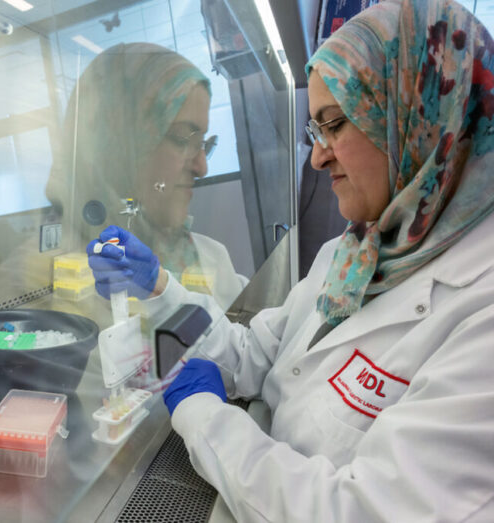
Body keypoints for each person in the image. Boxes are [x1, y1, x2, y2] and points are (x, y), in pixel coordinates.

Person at [89, 0, 494, 520]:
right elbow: (254, 353)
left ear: (419, 117)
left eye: (335, 124)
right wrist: (160, 286)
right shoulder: (355, 253)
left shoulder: (479, 316)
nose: (318, 155)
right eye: (314, 131)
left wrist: (203, 417)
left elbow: (360, 511)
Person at [45, 42, 247, 313]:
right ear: (116, 146)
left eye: (203, 144)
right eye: (181, 138)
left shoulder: (209, 258)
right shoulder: (47, 279)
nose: (201, 168)